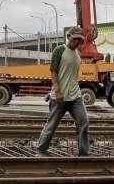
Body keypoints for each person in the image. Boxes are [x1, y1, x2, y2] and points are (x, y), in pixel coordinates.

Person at [37, 26, 90, 156]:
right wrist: (58, 91)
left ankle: (84, 152)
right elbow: (53, 72)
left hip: (75, 96)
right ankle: (41, 149)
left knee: (83, 122)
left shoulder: (78, 55)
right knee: (52, 124)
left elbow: (73, 75)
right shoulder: (59, 50)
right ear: (69, 37)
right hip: (59, 97)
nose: (77, 42)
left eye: (80, 40)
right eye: (75, 39)